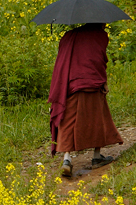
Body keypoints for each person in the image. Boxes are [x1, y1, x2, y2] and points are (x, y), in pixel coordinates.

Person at [48, 23, 123, 177]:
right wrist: (104, 82)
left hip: (70, 86)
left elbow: (62, 61)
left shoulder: (68, 36)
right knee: (98, 119)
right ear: (99, 22)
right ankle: (96, 157)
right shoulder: (100, 36)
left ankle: (67, 160)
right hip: (93, 83)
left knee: (68, 121)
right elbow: (99, 60)